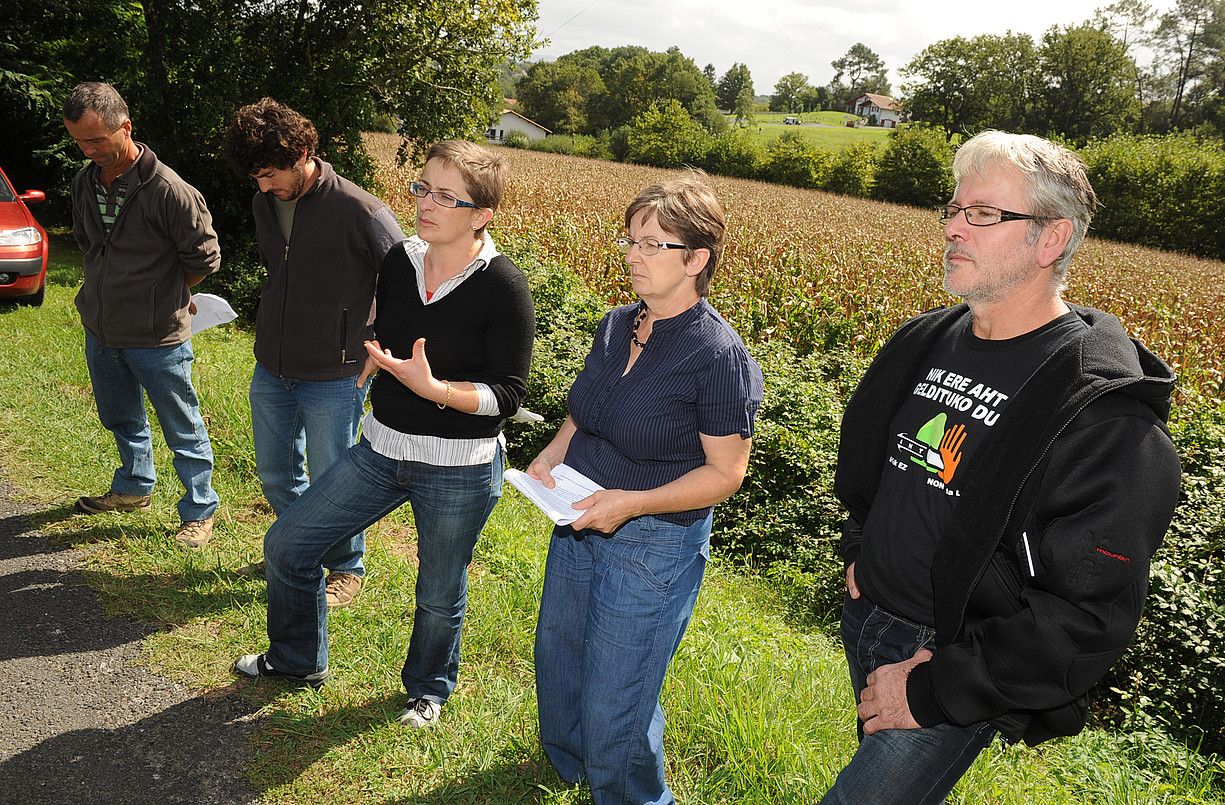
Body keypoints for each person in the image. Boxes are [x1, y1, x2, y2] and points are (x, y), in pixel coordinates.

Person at [821, 130, 1181, 804]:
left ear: (1049, 239)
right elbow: (876, 466)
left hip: (952, 659)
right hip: (869, 612)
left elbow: (1086, 613)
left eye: (982, 214)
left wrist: (933, 688)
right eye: (952, 210)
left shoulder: (1102, 410)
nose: (954, 229)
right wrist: (859, 551)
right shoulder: (924, 338)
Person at [233, 141, 535, 726]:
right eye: (422, 187)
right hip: (382, 448)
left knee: (438, 591)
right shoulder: (400, 260)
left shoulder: (505, 288)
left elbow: (508, 395)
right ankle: (297, 659)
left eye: (447, 196)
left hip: (460, 467)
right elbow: (395, 322)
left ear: (482, 214)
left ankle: (428, 689)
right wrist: (381, 352)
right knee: (289, 545)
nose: (425, 202)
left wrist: (436, 390)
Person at [529, 176, 764, 804]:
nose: (632, 255)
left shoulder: (718, 356)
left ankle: (632, 795)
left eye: (652, 244)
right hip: (579, 512)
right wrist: (550, 456)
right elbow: (585, 411)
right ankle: (573, 767)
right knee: (561, 653)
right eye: (631, 241)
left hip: (654, 540)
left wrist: (630, 504)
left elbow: (725, 474)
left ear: (696, 260)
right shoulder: (615, 326)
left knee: (619, 690)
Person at [222, 98, 404, 607]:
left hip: (335, 371)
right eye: (255, 176)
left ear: (303, 151)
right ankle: (296, 546)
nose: (263, 186)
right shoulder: (263, 204)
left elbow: (407, 282)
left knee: (334, 478)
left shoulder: (360, 209)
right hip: (273, 364)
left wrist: (378, 342)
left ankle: (347, 566)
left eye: (271, 173)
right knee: (276, 471)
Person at [63, 81, 222, 549]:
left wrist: (167, 292)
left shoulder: (169, 190)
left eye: (96, 140)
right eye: (79, 141)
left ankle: (199, 510)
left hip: (158, 336)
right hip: (102, 327)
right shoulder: (84, 181)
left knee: (182, 423)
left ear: (126, 127)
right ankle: (134, 487)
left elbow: (205, 258)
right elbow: (88, 243)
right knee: (121, 416)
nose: (88, 150)